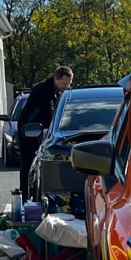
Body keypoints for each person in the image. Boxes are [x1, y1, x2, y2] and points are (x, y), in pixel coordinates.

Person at [17, 65, 74, 199]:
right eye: (64, 83)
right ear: (56, 79)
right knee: (28, 162)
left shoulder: (60, 90)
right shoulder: (43, 90)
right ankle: (25, 196)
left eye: (69, 84)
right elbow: (49, 111)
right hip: (29, 128)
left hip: (41, 128)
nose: (67, 86)